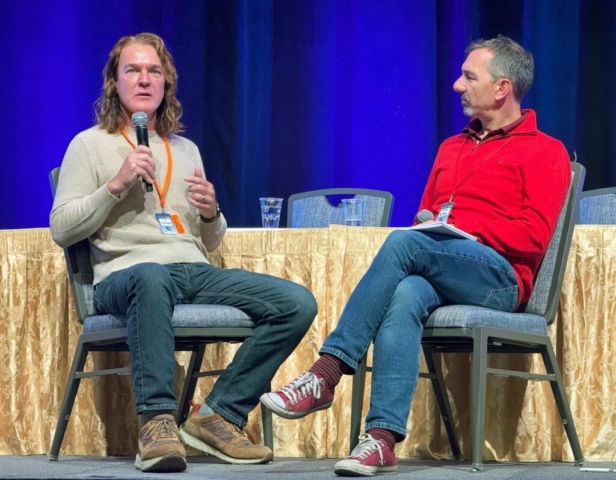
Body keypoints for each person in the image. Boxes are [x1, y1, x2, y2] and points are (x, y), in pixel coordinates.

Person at [261, 35, 571, 477]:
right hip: (445, 266)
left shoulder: (544, 150)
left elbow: (533, 238)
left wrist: (465, 231)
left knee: (405, 243)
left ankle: (326, 373)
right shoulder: (452, 147)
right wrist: (431, 221)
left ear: (503, 88)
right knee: (406, 291)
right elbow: (425, 217)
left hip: (499, 280)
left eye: (469, 77)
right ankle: (382, 440)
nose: (456, 86)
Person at [50, 33, 317, 474]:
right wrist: (114, 186)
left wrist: (212, 213)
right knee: (151, 275)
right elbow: (62, 228)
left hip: (193, 271)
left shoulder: (185, 149)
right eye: (132, 70)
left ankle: (218, 413)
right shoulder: (89, 144)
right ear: (114, 82)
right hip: (127, 274)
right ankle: (156, 422)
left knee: (295, 303)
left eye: (154, 71)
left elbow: (209, 241)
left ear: (166, 82)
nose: (144, 79)